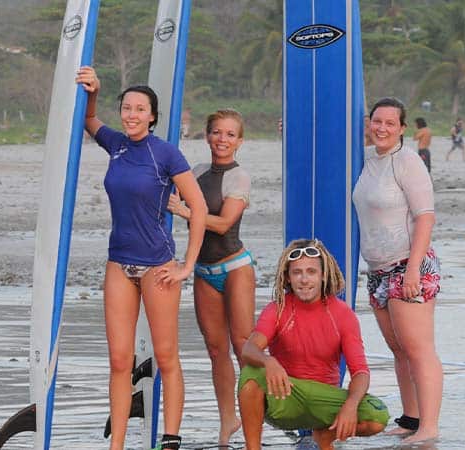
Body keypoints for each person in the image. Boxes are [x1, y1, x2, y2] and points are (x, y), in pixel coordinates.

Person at [76, 65, 207, 450]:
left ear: (152, 116)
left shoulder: (164, 153)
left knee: (166, 356)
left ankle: (170, 438)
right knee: (119, 360)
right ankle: (116, 443)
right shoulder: (116, 144)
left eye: (140, 109)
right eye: (127, 108)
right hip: (118, 263)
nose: (132, 115)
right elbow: (88, 120)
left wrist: (187, 265)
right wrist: (94, 92)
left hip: (158, 266)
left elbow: (197, 207)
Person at [237, 239, 389, 450]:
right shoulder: (277, 309)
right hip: (286, 396)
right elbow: (249, 349)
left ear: (323, 275)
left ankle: (324, 437)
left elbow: (361, 372)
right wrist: (268, 361)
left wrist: (350, 406)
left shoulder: (343, 313)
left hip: (323, 400)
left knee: (377, 414)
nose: (304, 279)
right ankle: (252, 448)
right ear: (288, 278)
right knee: (250, 373)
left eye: (311, 272)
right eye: (297, 272)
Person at [354, 97, 442, 443]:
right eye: (377, 121)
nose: (382, 128)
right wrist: (293, 132)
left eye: (390, 123)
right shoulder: (365, 159)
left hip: (408, 264)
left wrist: (413, 271)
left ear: (402, 128)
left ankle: (430, 427)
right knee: (400, 350)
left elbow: (425, 217)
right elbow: (325, 154)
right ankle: (411, 419)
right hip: (377, 270)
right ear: (369, 123)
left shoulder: (408, 162)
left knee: (419, 349)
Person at [167, 109, 255, 446]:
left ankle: (253, 413)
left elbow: (222, 224)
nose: (222, 139)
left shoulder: (239, 177)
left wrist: (186, 211)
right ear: (207, 136)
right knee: (216, 350)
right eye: (217, 132)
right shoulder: (198, 171)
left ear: (240, 141)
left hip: (235, 267)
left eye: (230, 134)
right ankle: (227, 420)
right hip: (204, 270)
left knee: (243, 347)